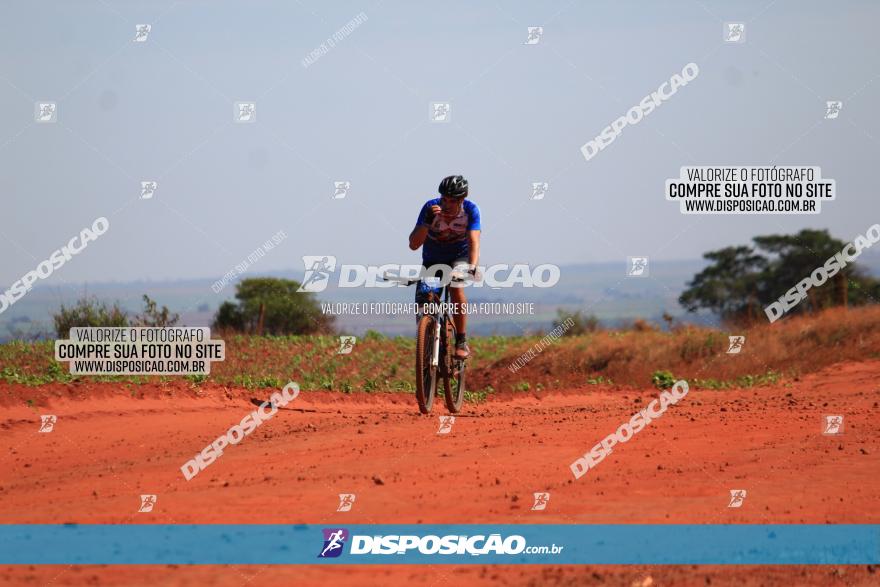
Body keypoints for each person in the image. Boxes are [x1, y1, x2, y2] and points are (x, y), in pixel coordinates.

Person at [408, 175, 481, 359]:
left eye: (452, 201)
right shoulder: (430, 207)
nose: (446, 204)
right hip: (433, 259)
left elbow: (474, 240)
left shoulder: (471, 210)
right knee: (425, 300)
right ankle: (428, 337)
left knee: (456, 287)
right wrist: (427, 221)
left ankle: (461, 340)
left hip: (459, 258)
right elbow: (413, 244)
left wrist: (472, 266)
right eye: (444, 199)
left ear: (462, 200)